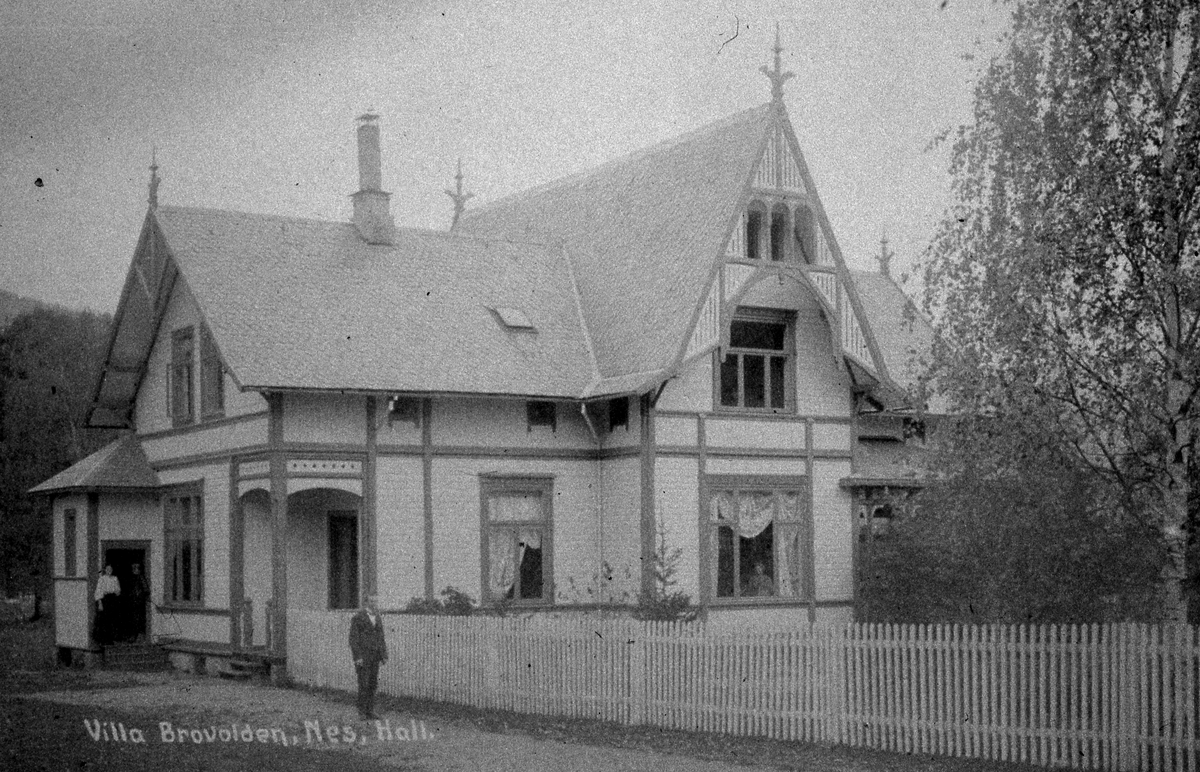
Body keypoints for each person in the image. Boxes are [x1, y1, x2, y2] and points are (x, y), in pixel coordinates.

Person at [348, 594, 388, 720]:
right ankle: (362, 712)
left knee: (372, 684)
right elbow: (353, 639)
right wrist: (357, 657)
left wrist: (383, 655)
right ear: (366, 602)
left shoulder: (377, 617)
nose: (374, 603)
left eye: (375, 601)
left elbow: (381, 637)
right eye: (371, 601)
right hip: (363, 656)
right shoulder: (358, 617)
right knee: (363, 683)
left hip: (375, 656)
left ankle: (370, 711)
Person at [94, 565, 120, 645]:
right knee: (104, 620)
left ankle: (110, 639)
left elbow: (118, 590)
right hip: (104, 600)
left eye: (111, 569)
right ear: (105, 570)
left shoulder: (115, 578)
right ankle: (103, 640)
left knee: (112, 619)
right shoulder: (102, 579)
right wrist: (100, 603)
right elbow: (98, 592)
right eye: (108, 569)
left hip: (112, 599)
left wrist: (117, 592)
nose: (109, 570)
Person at [125, 563, 149, 642]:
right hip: (132, 602)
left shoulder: (141, 578)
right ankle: (133, 635)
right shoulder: (131, 579)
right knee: (132, 619)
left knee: (138, 619)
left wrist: (141, 596)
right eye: (133, 569)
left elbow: (146, 590)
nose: (135, 570)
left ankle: (138, 636)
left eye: (136, 569)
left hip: (139, 602)